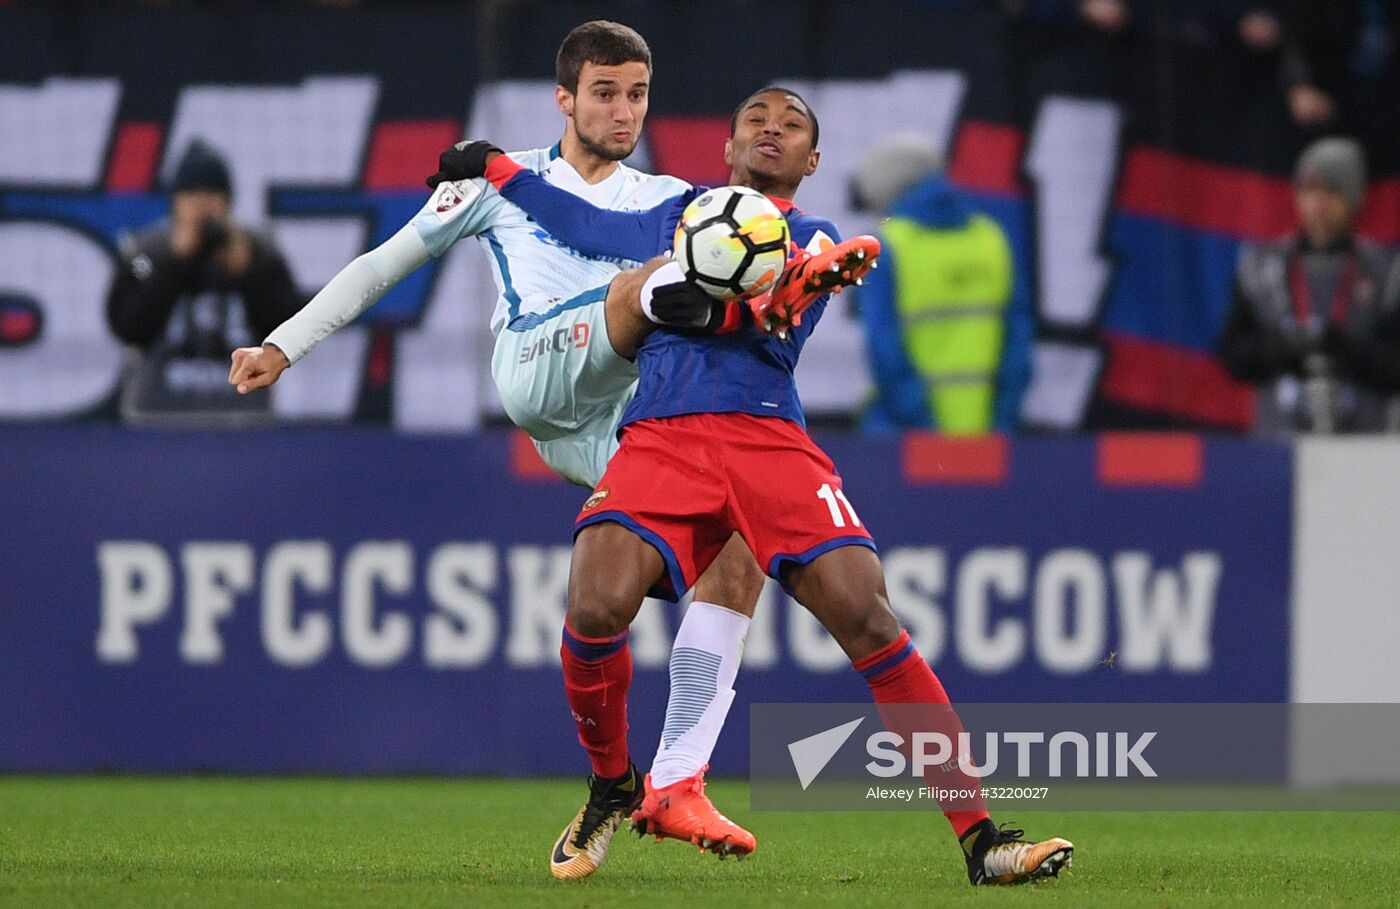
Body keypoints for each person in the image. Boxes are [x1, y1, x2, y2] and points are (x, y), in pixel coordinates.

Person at [226, 22, 859, 879]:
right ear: (565, 97)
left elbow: (614, 226)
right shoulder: (498, 186)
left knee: (731, 548)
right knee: (650, 282)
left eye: (637, 94)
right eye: (604, 92)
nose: (623, 110)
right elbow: (383, 263)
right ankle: (754, 292)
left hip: (610, 422)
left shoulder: (665, 194)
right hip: (535, 367)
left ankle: (651, 780)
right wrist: (283, 344)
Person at [462, 87, 1072, 887]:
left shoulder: (812, 237)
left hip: (767, 439)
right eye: (756, 120)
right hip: (664, 433)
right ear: (727, 146)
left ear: (813, 160)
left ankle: (982, 838)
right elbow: (587, 226)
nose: (771, 131)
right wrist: (499, 167)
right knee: (594, 602)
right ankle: (614, 781)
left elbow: (771, 320)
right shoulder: (681, 213)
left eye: (791, 127)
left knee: (868, 615)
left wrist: (796, 285)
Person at [107, 140, 301, 424]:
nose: (201, 202)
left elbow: (289, 327)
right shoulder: (144, 254)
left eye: (212, 192)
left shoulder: (259, 250)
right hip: (159, 415)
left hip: (242, 416)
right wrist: (174, 264)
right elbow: (127, 325)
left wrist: (250, 274)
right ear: (176, 200)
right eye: (191, 192)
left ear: (228, 200)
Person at [849, 135, 1030, 434]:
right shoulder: (991, 239)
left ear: (886, 192)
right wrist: (1000, 423)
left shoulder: (886, 247)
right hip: (985, 434)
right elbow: (1018, 345)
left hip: (903, 436)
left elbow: (885, 352)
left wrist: (927, 429)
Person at [1219, 137, 1400, 434]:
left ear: (1354, 199)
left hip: (1365, 452)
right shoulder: (1262, 268)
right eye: (1307, 190)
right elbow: (1233, 355)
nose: (1316, 204)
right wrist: (1283, 349)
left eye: (1329, 192)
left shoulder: (1386, 273)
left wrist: (1347, 348)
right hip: (1279, 445)